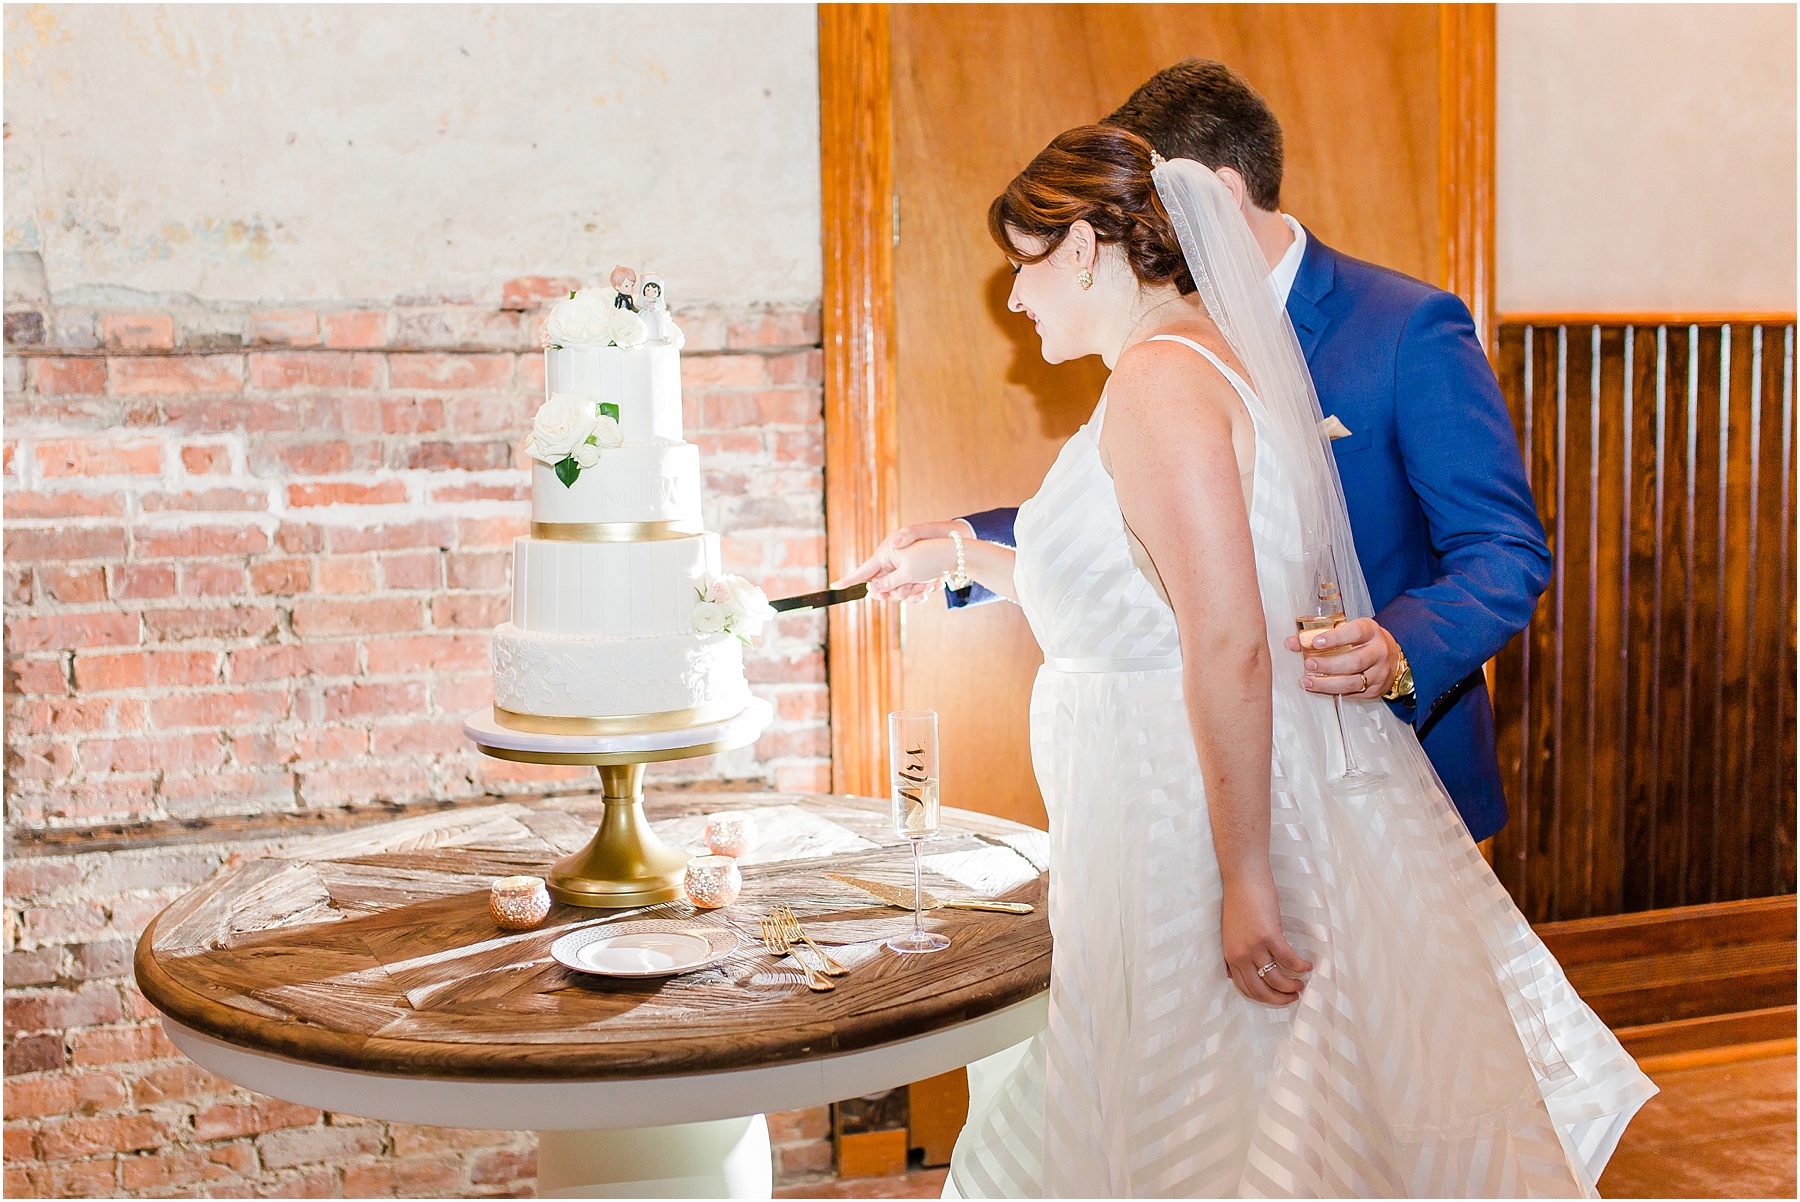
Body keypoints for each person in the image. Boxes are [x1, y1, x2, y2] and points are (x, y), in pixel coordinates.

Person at [847, 125, 1654, 1197]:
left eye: (1023, 265)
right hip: (1168, 803)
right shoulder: (1206, 354)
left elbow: (1225, 637)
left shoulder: (1157, 382)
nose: (1017, 300)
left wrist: (1242, 878)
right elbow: (1144, 591)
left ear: (1085, 249)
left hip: (1183, 814)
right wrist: (970, 559)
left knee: (1210, 1121)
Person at [835, 61, 1548, 844]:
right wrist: (966, 543)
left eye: (1142, 201)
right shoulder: (1158, 327)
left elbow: (1503, 548)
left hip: (1397, 766)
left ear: (1221, 192)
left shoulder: (1404, 326)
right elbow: (1151, 518)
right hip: (1223, 775)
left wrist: (1400, 646)